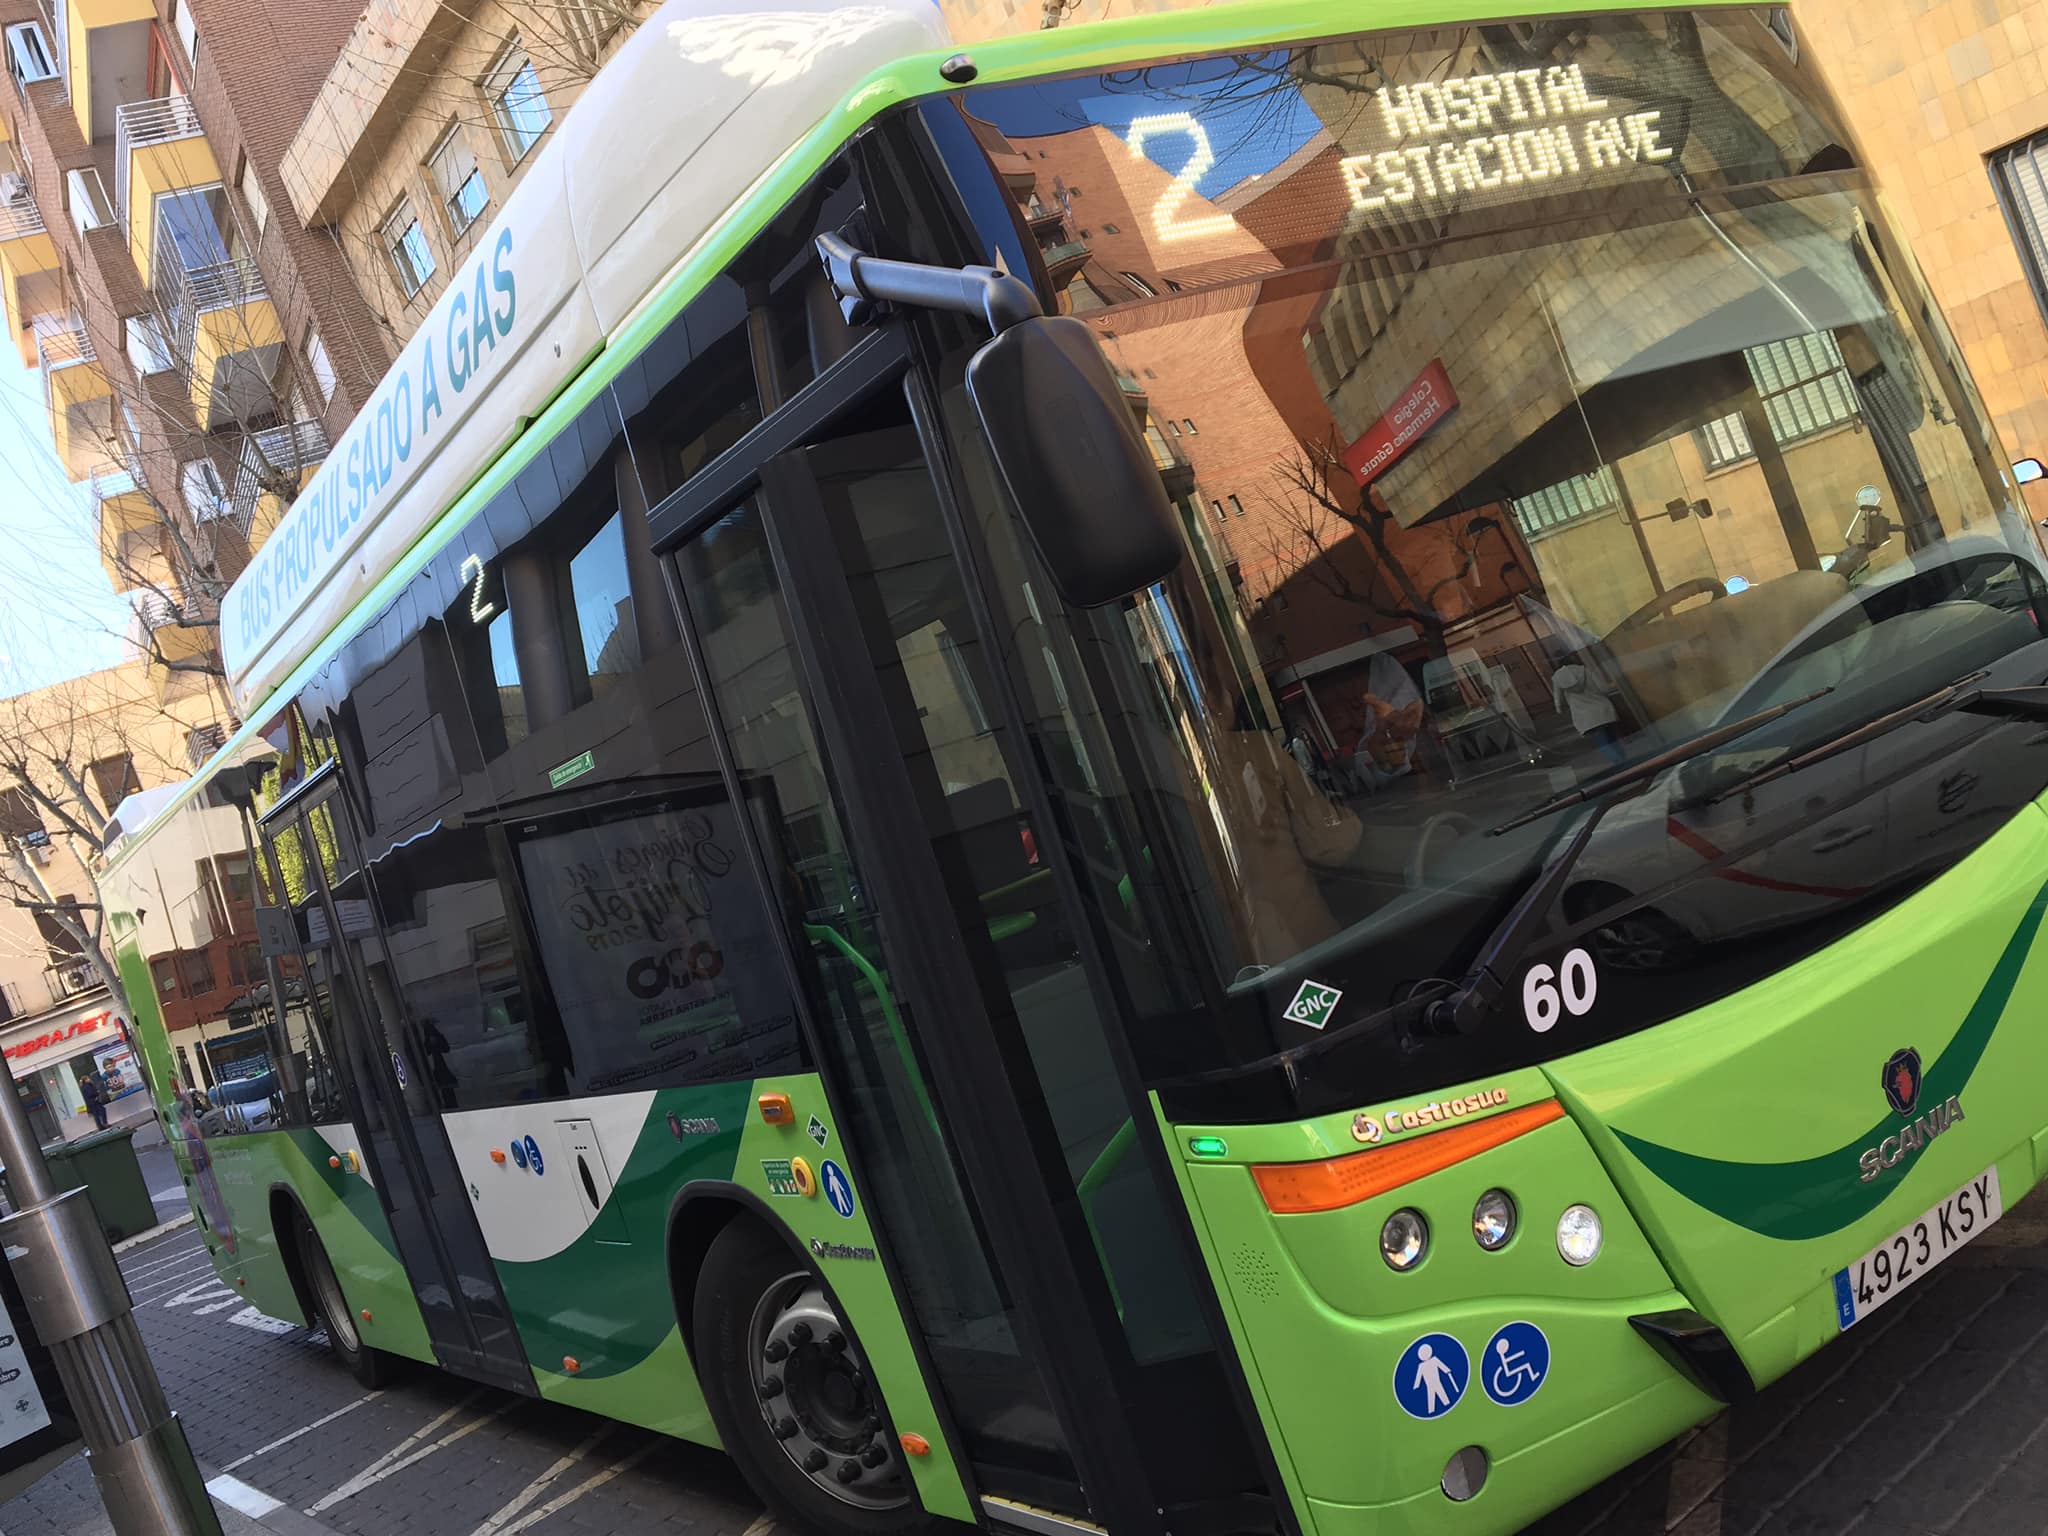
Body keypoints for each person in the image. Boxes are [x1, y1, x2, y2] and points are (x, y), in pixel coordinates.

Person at [1550, 649, 1624, 764]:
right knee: (1613, 738)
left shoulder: (1557, 678)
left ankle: (1618, 761)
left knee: (1602, 742)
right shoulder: (1585, 670)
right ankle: (1625, 760)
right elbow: (1603, 689)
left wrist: (1561, 708)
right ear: (1571, 658)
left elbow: (1558, 700)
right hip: (1602, 709)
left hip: (1584, 716)